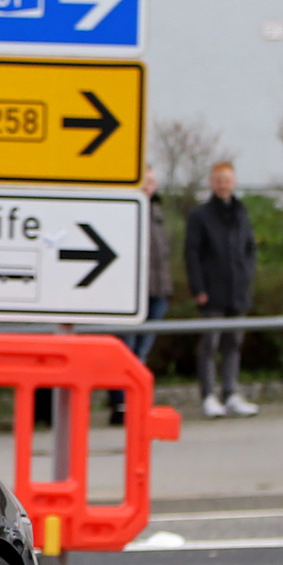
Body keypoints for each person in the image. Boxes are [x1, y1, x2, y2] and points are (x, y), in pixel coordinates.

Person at [184, 160, 259, 418]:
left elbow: (250, 247)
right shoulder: (200, 215)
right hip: (211, 290)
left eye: (227, 179)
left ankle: (231, 393)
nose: (223, 184)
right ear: (211, 182)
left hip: (237, 289)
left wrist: (247, 275)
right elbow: (191, 254)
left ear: (234, 182)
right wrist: (198, 287)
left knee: (233, 343)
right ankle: (208, 395)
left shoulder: (241, 212)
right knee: (209, 343)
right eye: (218, 179)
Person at [109, 165, 172, 426]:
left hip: (158, 290)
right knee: (126, 350)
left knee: (142, 352)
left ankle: (136, 401)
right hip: (131, 293)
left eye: (153, 181)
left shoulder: (157, 211)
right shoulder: (126, 212)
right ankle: (119, 403)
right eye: (146, 181)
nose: (150, 186)